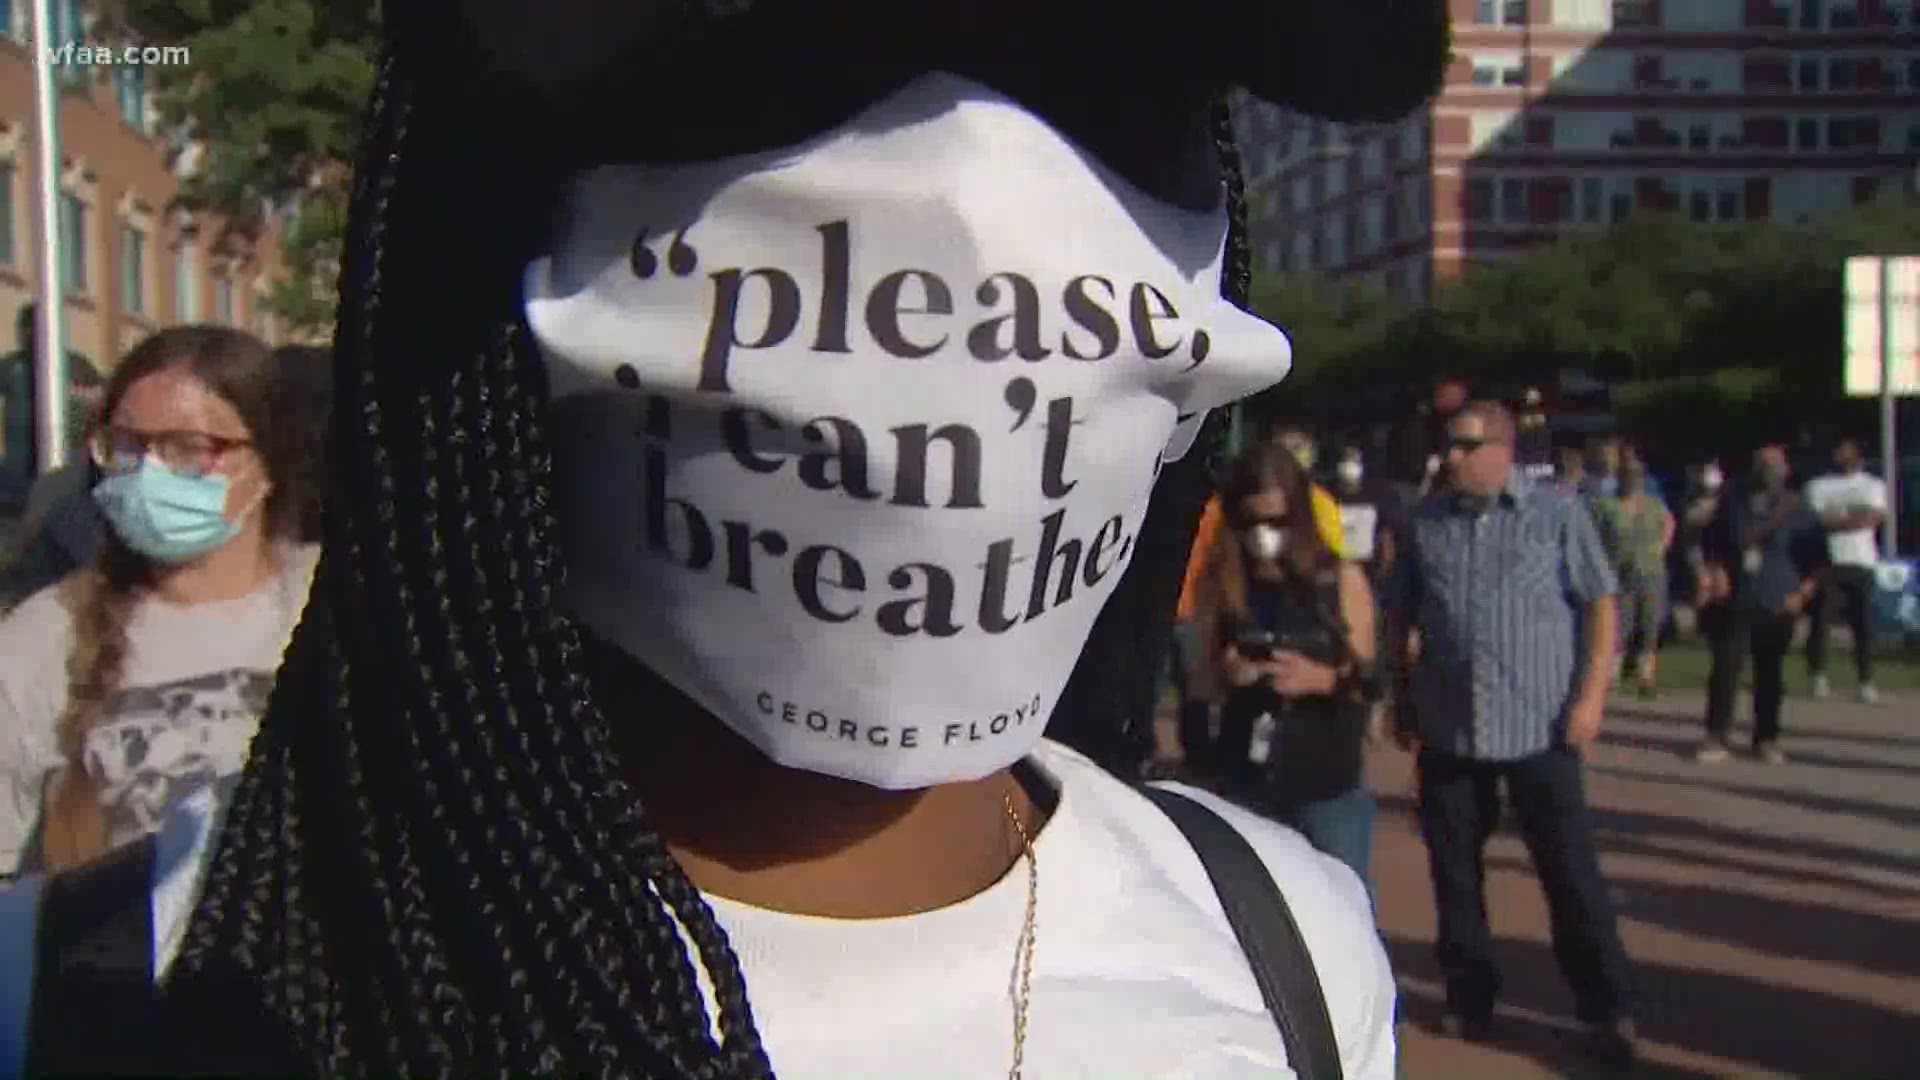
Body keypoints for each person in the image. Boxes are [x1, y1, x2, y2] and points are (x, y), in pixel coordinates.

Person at [0, 3, 1450, 1075]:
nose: (979, 216)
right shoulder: (112, 989)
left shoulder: (1289, 950)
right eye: (774, 74)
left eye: (1104, 84)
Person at [0, 327, 320, 875]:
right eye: (126, 445)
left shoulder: (340, 604)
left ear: (267, 459)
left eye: (187, 449)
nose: (149, 472)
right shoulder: (44, 635)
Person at [1386, 400, 1636, 1068]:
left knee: (1569, 874)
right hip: (1451, 728)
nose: (1455, 458)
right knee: (1455, 876)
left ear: (1503, 448)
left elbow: (1600, 606)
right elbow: (1400, 618)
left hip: (1541, 725)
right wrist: (1401, 697)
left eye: (1468, 446)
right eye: (1450, 447)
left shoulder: (1556, 514)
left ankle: (1605, 1006)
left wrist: (1591, 698)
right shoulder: (1425, 524)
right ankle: (1470, 995)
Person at [1206, 440, 1379, 894]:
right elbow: (1205, 679)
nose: (1262, 534)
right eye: (1250, 522)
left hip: (1325, 782)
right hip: (1248, 780)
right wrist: (1231, 671)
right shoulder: (1230, 585)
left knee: (1342, 909)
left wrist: (1321, 679)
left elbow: (1372, 681)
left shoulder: (1337, 579)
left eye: (1275, 520)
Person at [1695, 445, 1828, 765]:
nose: (1768, 470)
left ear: (1785, 469)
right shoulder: (1733, 500)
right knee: (1726, 668)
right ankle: (1716, 735)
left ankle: (1766, 738)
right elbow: (1711, 544)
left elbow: (1819, 561)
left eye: (1774, 464)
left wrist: (1802, 594)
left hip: (1778, 600)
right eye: (1762, 464)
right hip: (1736, 596)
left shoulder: (1798, 508)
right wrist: (1713, 575)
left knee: (1770, 673)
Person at [1803, 435, 1888, 704]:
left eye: (1846, 451)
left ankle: (1865, 680)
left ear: (1857, 456)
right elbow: (1815, 520)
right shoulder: (1817, 486)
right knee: (1820, 621)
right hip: (1826, 561)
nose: (1840, 455)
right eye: (1838, 451)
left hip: (1861, 560)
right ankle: (1818, 676)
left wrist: (1838, 520)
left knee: (1861, 623)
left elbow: (1872, 519)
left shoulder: (1872, 485)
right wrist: (1851, 519)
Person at [1591, 460, 1674, 698]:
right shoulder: (1606, 505)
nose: (1632, 480)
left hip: (1651, 572)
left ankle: (1645, 677)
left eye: (1637, 475)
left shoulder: (1652, 505)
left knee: (1650, 623)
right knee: (1620, 625)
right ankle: (1612, 676)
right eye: (1628, 475)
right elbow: (1594, 533)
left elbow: (1669, 522)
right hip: (1618, 573)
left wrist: (1662, 546)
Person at [1269, 424, 1352, 558]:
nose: (1290, 455)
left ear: (1312, 453)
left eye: (1297, 448)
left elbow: (1340, 554)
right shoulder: (1256, 495)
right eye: (1282, 449)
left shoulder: (1320, 502)